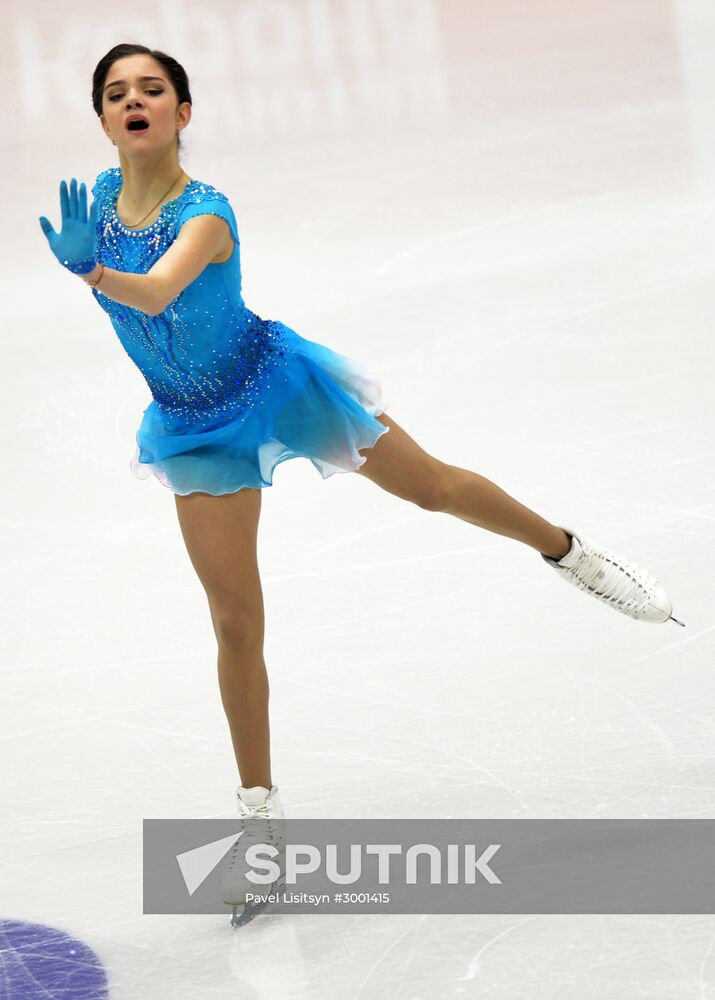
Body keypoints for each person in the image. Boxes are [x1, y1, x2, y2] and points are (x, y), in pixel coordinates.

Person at [38, 43, 683, 915]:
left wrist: (91, 273)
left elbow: (153, 293)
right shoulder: (95, 218)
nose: (134, 101)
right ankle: (260, 830)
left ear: (183, 113)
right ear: (105, 120)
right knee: (234, 622)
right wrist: (90, 261)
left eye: (152, 88)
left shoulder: (207, 211)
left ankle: (567, 552)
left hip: (277, 384)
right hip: (193, 426)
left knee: (431, 487)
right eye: (116, 94)